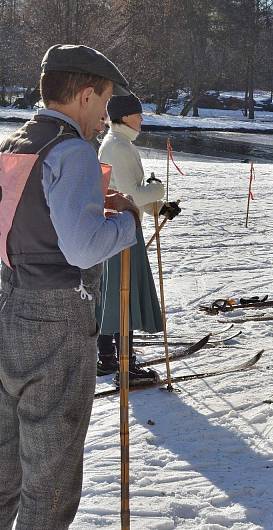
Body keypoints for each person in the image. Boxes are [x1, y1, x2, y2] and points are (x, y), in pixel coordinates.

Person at [0, 44, 137, 529]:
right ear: (83, 95)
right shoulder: (72, 150)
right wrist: (127, 222)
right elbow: (82, 249)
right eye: (103, 102)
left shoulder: (17, 141)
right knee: (51, 481)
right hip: (54, 317)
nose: (105, 116)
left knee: (3, 472)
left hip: (7, 305)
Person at [96, 92, 181, 383]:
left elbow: (130, 194)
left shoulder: (119, 143)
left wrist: (163, 208)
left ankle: (108, 358)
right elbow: (130, 196)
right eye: (138, 114)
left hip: (115, 228)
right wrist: (157, 190)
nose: (142, 118)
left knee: (111, 294)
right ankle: (125, 366)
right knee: (123, 296)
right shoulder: (119, 146)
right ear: (123, 117)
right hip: (122, 231)